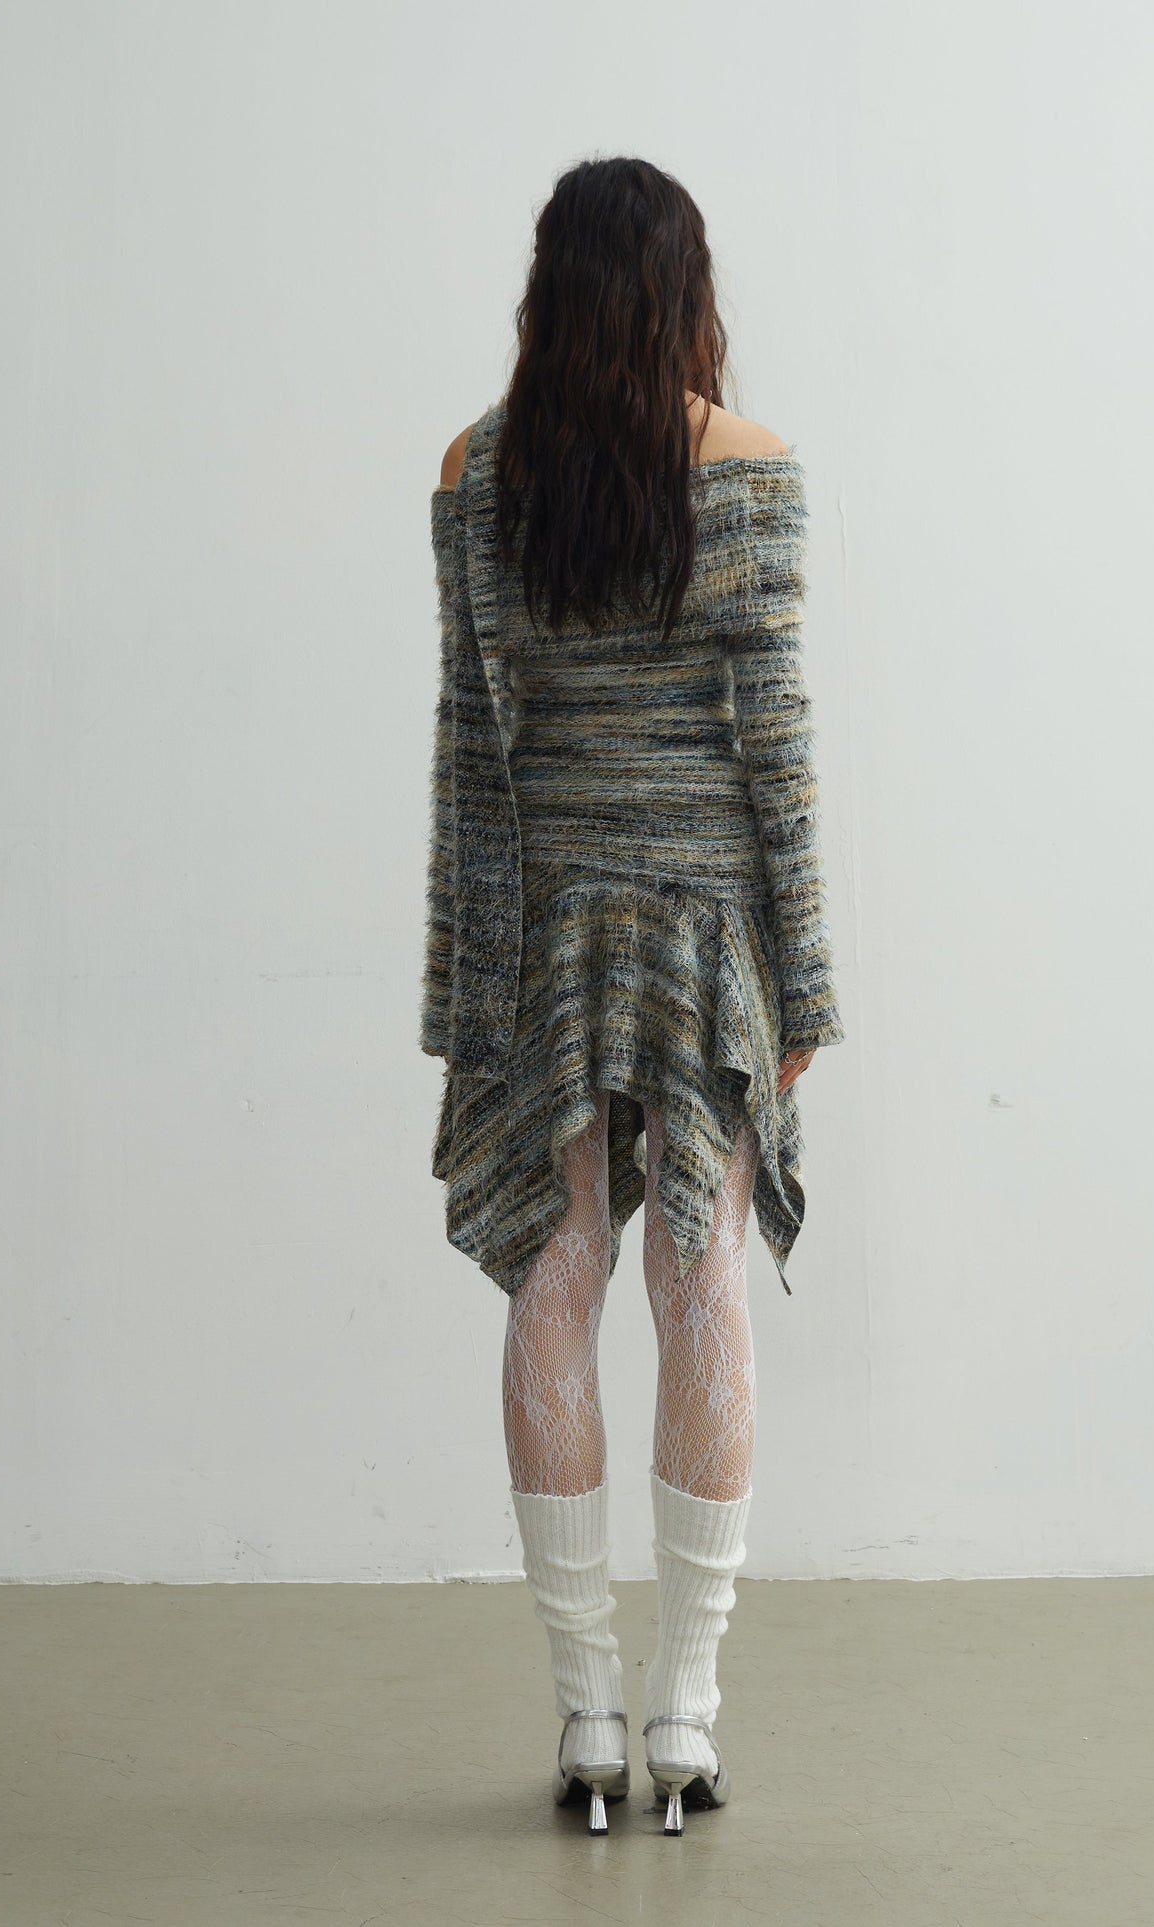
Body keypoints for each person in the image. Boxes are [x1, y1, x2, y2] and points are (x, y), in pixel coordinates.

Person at [421, 156, 846, 1835]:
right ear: (684, 288)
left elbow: (474, 746)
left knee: (556, 1269)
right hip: (703, 934)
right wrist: (804, 985)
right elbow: (775, 754)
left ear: (548, 289)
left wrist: (468, 982)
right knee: (699, 1278)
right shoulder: (748, 465)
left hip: (549, 927)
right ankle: (688, 1710)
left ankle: (585, 1711)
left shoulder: (475, 474)